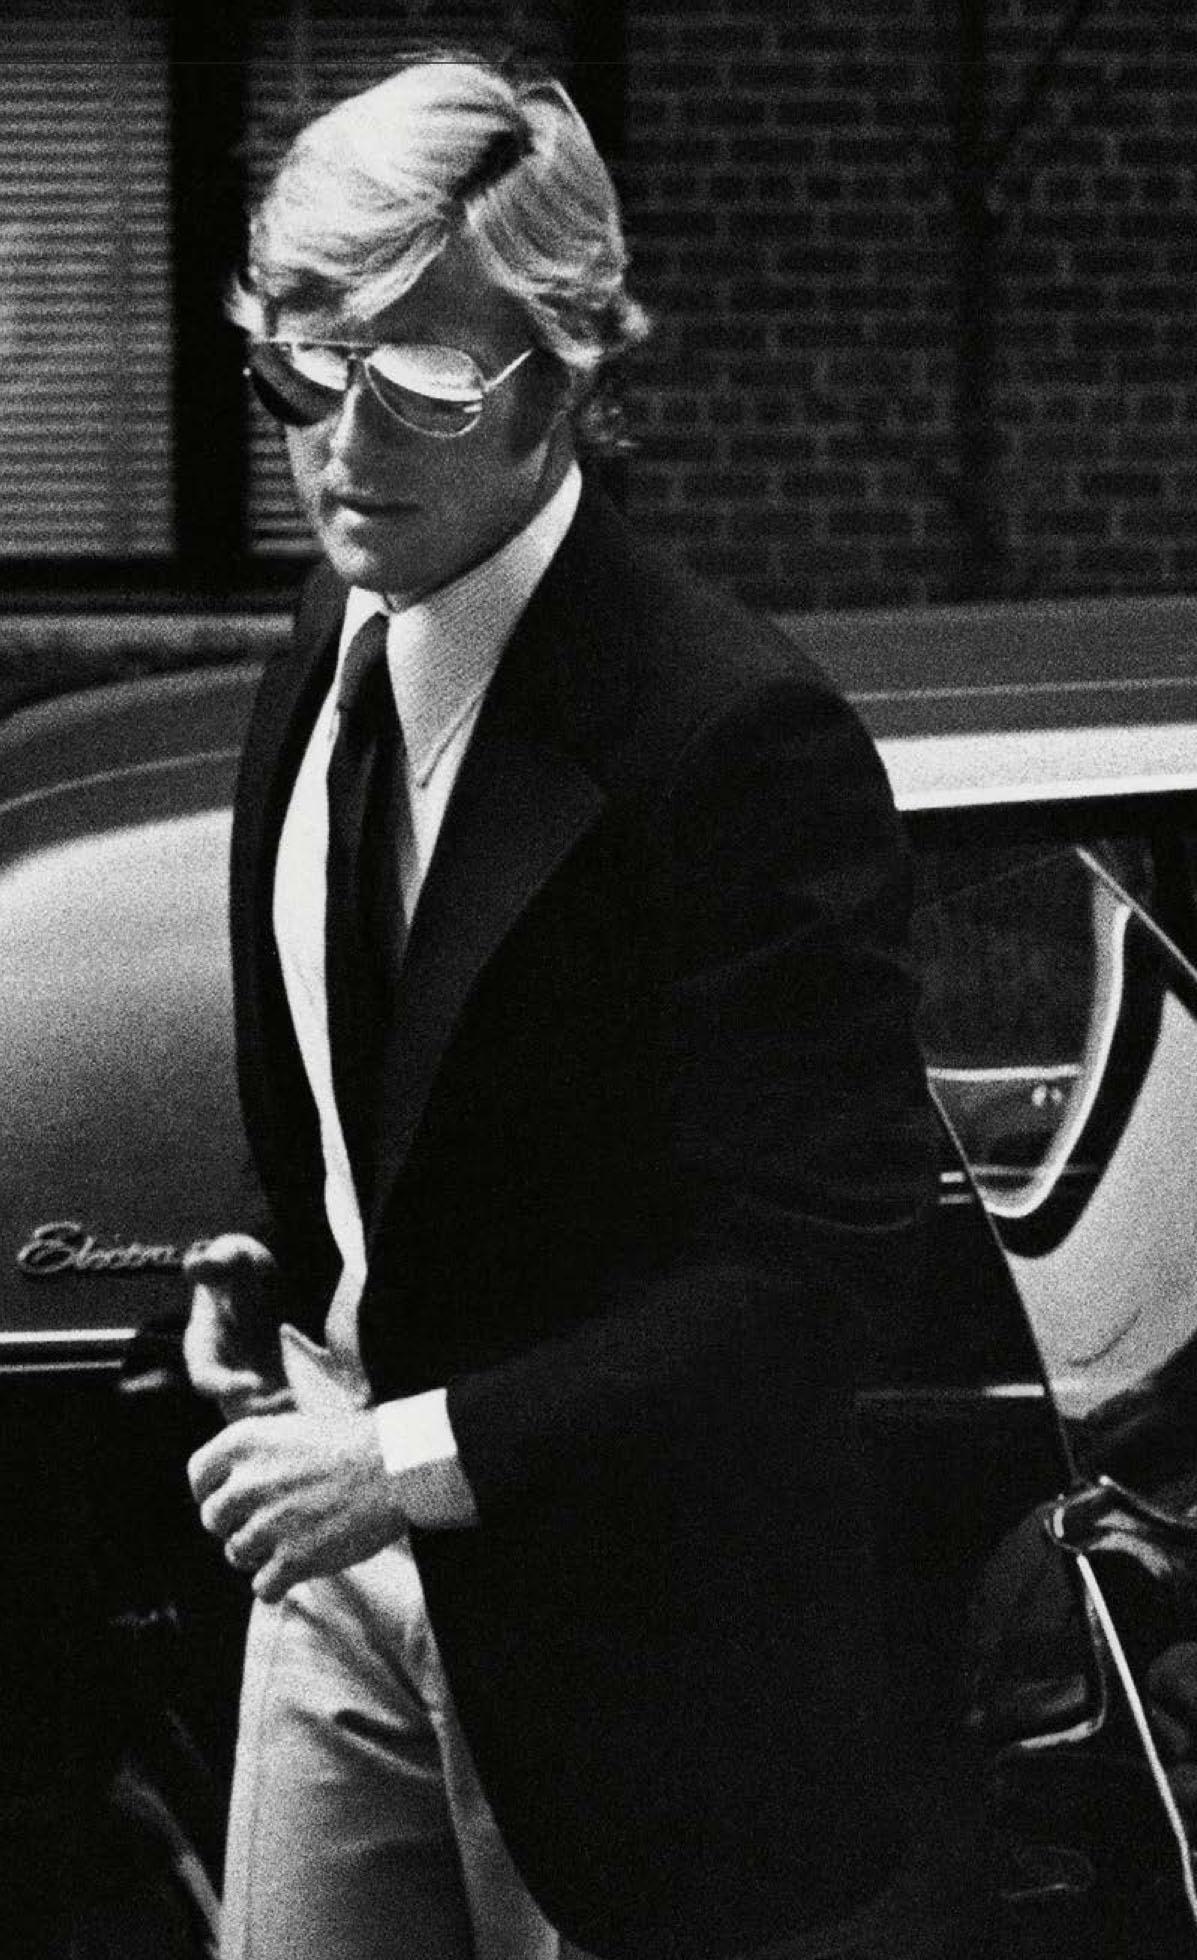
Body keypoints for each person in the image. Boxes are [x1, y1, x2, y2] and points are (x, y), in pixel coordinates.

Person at [183, 47, 941, 1960]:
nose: (344, 448)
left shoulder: (732, 737)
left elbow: (815, 1277)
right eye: (305, 371)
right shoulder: (330, 628)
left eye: (425, 380)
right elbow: (408, 1097)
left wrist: (402, 1461)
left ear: (570, 367)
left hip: (637, 1662)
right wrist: (286, 1250)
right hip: (336, 1578)